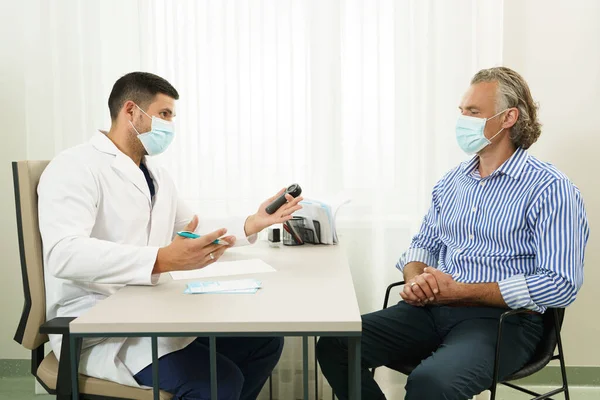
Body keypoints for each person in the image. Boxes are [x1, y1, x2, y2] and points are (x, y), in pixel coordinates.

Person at [316, 67, 589, 400]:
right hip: (432, 308)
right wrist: (416, 279)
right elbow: (422, 246)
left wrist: (462, 291)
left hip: (503, 322)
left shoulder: (551, 189)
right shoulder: (451, 182)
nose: (463, 120)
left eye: (473, 112)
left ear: (508, 118)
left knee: (431, 383)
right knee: (336, 344)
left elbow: (560, 285)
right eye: (462, 111)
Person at [38, 71, 303, 399]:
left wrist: (253, 222)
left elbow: (189, 227)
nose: (169, 125)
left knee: (264, 343)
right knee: (219, 382)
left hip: (150, 313)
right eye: (163, 114)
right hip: (100, 326)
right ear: (131, 111)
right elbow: (64, 253)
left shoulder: (155, 174)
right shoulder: (75, 166)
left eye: (171, 117)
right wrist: (160, 258)